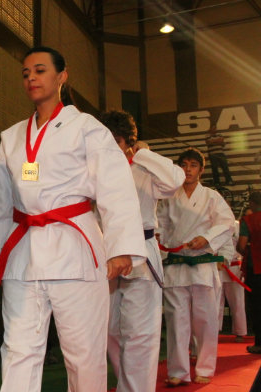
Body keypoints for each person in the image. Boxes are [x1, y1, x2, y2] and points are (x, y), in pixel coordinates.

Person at [0, 46, 148, 392]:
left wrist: (121, 248)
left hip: (75, 249)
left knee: (83, 353)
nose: (31, 78)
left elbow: (115, 188)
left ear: (62, 77)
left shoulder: (87, 128)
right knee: (18, 349)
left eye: (40, 70)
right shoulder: (12, 137)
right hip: (23, 252)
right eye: (26, 73)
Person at [100, 109, 184, 392]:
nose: (110, 147)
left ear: (128, 142)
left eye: (116, 141)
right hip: (104, 252)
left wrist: (143, 154)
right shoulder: (95, 167)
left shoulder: (145, 168)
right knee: (108, 330)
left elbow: (175, 180)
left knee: (140, 333)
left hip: (141, 251)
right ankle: (126, 383)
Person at [157, 147, 235, 386]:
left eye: (193, 165)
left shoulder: (211, 196)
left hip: (202, 264)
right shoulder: (169, 197)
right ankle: (178, 371)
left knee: (205, 320)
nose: (188, 170)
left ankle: (205, 368)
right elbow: (160, 226)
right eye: (184, 165)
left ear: (201, 170)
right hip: (176, 265)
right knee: (176, 321)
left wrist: (207, 239)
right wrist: (161, 245)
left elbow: (227, 223)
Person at [237, 191, 261, 354]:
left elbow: (241, 246)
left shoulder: (248, 220)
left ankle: (259, 343)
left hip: (256, 268)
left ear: (252, 203)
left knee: (257, 306)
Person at [217, 220, 247, 342]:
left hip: (234, 266)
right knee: (216, 300)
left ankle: (240, 331)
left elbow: (242, 246)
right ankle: (215, 330)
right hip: (217, 265)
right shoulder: (213, 224)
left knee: (237, 300)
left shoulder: (237, 225)